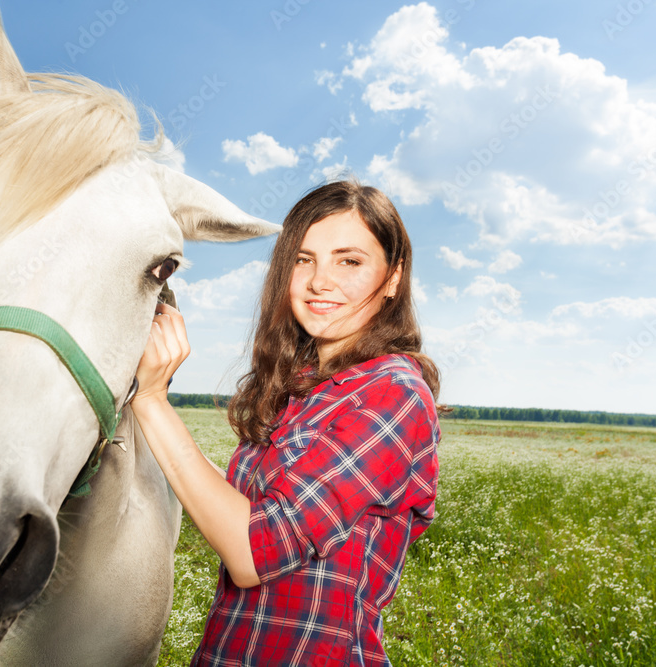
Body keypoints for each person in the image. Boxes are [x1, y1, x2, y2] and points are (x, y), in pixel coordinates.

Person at [132, 180, 441, 666]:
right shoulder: (302, 386)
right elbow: (244, 509)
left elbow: (254, 552)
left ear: (394, 278)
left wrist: (152, 402)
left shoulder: (392, 393)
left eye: (350, 261)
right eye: (303, 259)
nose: (320, 281)